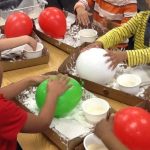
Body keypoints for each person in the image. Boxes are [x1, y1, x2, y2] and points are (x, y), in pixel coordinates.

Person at [0, 36, 70, 150]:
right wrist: (53, 93)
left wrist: (30, 80)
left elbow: (2, 93)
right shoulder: (3, 110)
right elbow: (41, 123)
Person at [82, 0, 150, 70]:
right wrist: (100, 42)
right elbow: (122, 31)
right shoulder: (142, 17)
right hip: (140, 69)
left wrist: (125, 55)